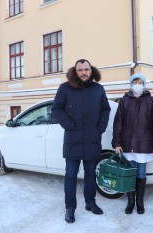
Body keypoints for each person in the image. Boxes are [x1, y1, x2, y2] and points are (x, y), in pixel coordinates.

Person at [52, 59, 111, 223]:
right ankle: (70, 208)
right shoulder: (65, 88)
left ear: (91, 71)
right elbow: (56, 108)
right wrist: (68, 125)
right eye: (80, 70)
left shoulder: (98, 89)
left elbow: (105, 109)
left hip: (93, 139)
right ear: (75, 71)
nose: (84, 72)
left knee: (91, 174)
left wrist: (101, 127)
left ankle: (90, 203)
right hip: (73, 139)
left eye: (86, 69)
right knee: (71, 175)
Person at [112, 73, 153, 214]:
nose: (138, 85)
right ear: (131, 84)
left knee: (141, 173)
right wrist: (117, 142)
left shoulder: (151, 101)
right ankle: (130, 202)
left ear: (144, 85)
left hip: (145, 144)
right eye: (135, 82)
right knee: (129, 174)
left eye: (140, 83)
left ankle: (140, 202)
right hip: (128, 144)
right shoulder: (124, 100)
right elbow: (118, 123)